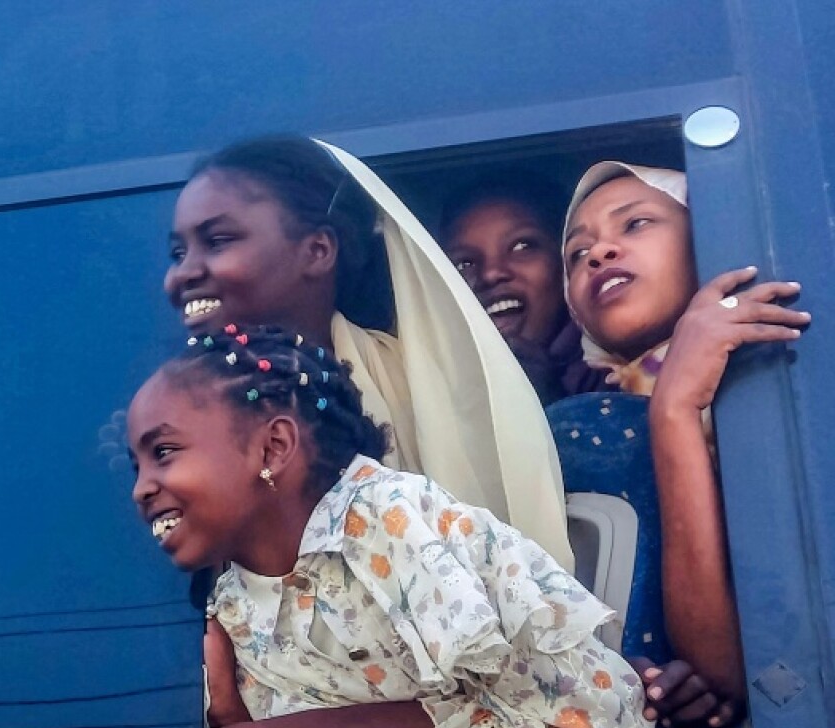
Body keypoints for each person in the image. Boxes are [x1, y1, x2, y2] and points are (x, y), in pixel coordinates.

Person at [127, 326, 653, 728]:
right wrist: (227, 711)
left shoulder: (394, 523)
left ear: (274, 446)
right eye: (137, 464)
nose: (141, 487)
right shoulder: (231, 606)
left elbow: (584, 704)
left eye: (165, 452)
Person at [165, 136, 573, 570]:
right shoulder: (186, 414)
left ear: (318, 251)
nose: (184, 273)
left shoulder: (434, 391)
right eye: (177, 252)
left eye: (218, 240)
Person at [561, 162, 811, 728]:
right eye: (578, 253)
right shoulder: (578, 431)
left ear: (709, 240)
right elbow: (724, 668)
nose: (600, 253)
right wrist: (672, 408)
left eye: (635, 224)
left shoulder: (776, 376)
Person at [440, 173, 610, 403]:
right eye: (464, 264)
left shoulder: (618, 373)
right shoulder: (435, 389)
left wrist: (545, 397)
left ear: (567, 261)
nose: (491, 273)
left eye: (522, 246)